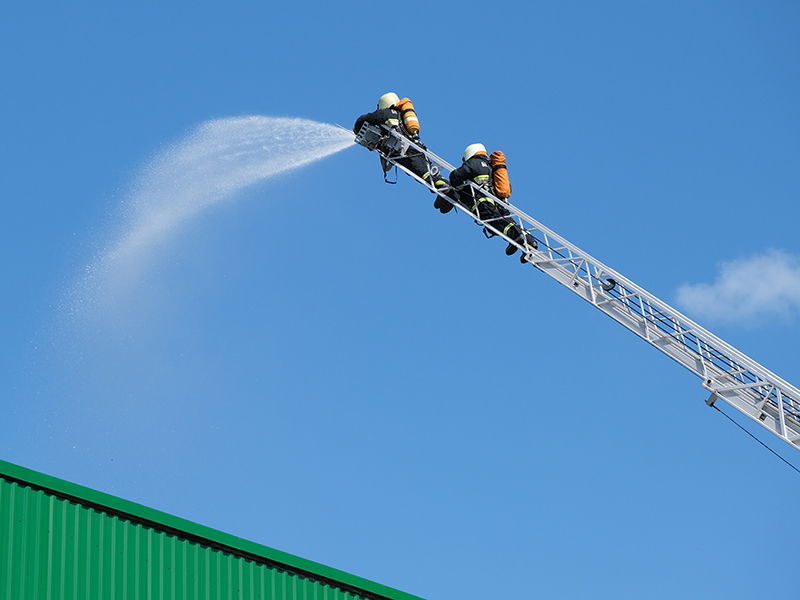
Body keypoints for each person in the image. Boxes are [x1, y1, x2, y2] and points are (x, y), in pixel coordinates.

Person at [449, 143, 535, 256]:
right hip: (499, 203)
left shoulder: (473, 163)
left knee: (496, 223)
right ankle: (528, 240)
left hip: (484, 202)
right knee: (507, 221)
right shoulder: (492, 166)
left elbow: (455, 177)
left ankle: (516, 236)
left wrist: (459, 188)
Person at [353, 92, 448, 193]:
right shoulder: (402, 116)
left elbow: (362, 120)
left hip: (406, 151)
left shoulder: (385, 113)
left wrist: (356, 130)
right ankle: (449, 189)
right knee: (424, 172)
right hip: (415, 148)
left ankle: (443, 186)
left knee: (424, 173)